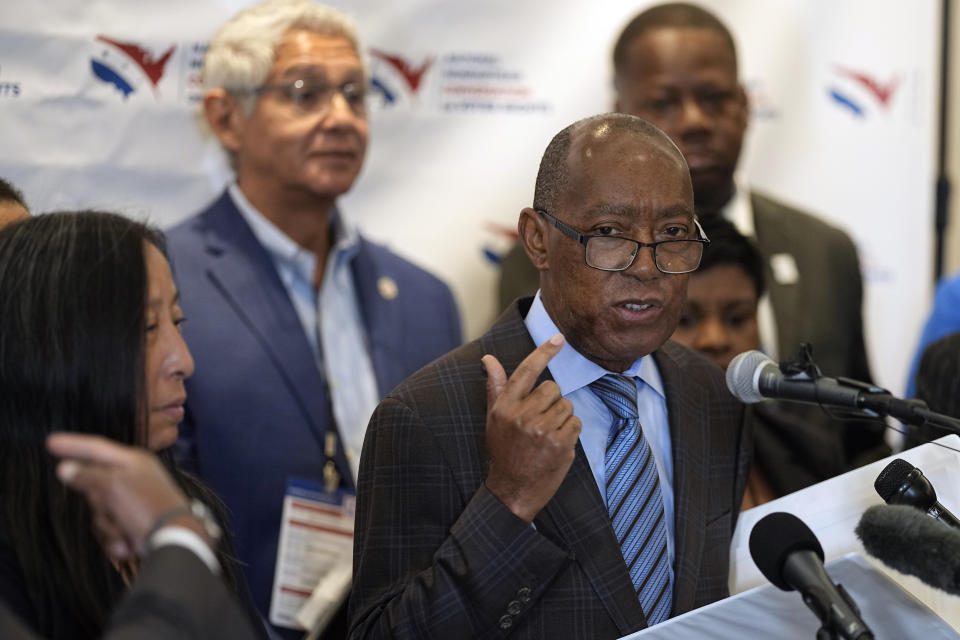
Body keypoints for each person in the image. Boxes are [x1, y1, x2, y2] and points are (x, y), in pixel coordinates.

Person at [350, 113, 750, 638]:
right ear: (537, 240)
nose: (648, 267)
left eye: (673, 233)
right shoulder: (427, 416)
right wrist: (508, 500)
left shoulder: (713, 396)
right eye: (609, 233)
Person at [165, 1, 462, 635]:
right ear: (225, 117)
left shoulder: (424, 298)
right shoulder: (166, 283)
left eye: (356, 95)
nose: (342, 118)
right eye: (306, 94)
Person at [501, 2, 885, 466]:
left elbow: (864, 440)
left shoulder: (824, 251)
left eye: (714, 98)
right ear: (621, 114)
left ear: (745, 105)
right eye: (664, 102)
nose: (696, 121)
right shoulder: (550, 253)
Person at [0, 212, 265, 640]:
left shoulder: (182, 502)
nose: (183, 361)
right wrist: (180, 543)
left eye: (176, 322)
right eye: (145, 328)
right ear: (56, 351)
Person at [0, 433, 259, 640]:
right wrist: (181, 537)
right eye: (137, 363)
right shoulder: (16, 555)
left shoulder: (179, 496)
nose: (184, 365)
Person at [670, 216, 846, 507]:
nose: (715, 339)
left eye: (737, 318)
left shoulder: (809, 450)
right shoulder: (625, 461)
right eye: (685, 320)